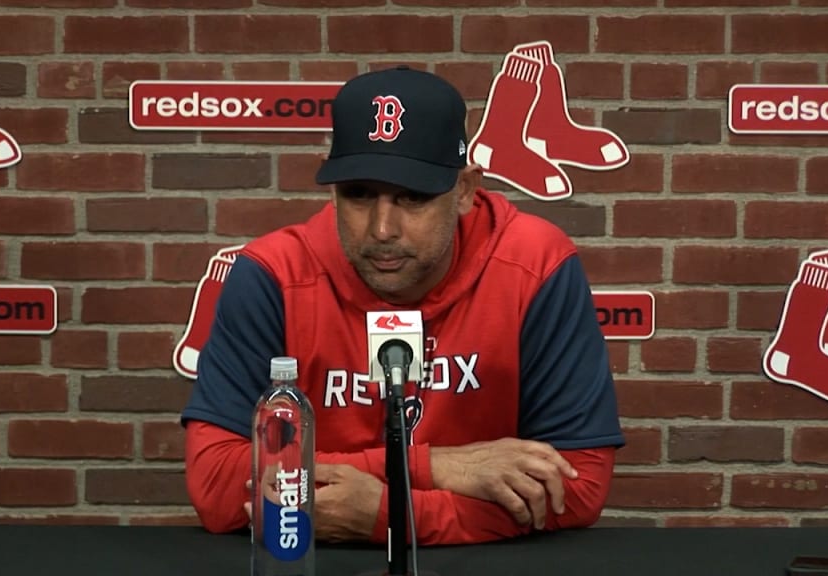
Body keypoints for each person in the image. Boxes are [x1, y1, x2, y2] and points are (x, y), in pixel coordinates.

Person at [181, 66, 625, 545]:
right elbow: (217, 486)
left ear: (464, 191)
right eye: (359, 195)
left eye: (413, 197)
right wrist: (438, 466)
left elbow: (576, 487)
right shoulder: (272, 274)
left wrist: (390, 516)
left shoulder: (536, 266)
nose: (382, 229)